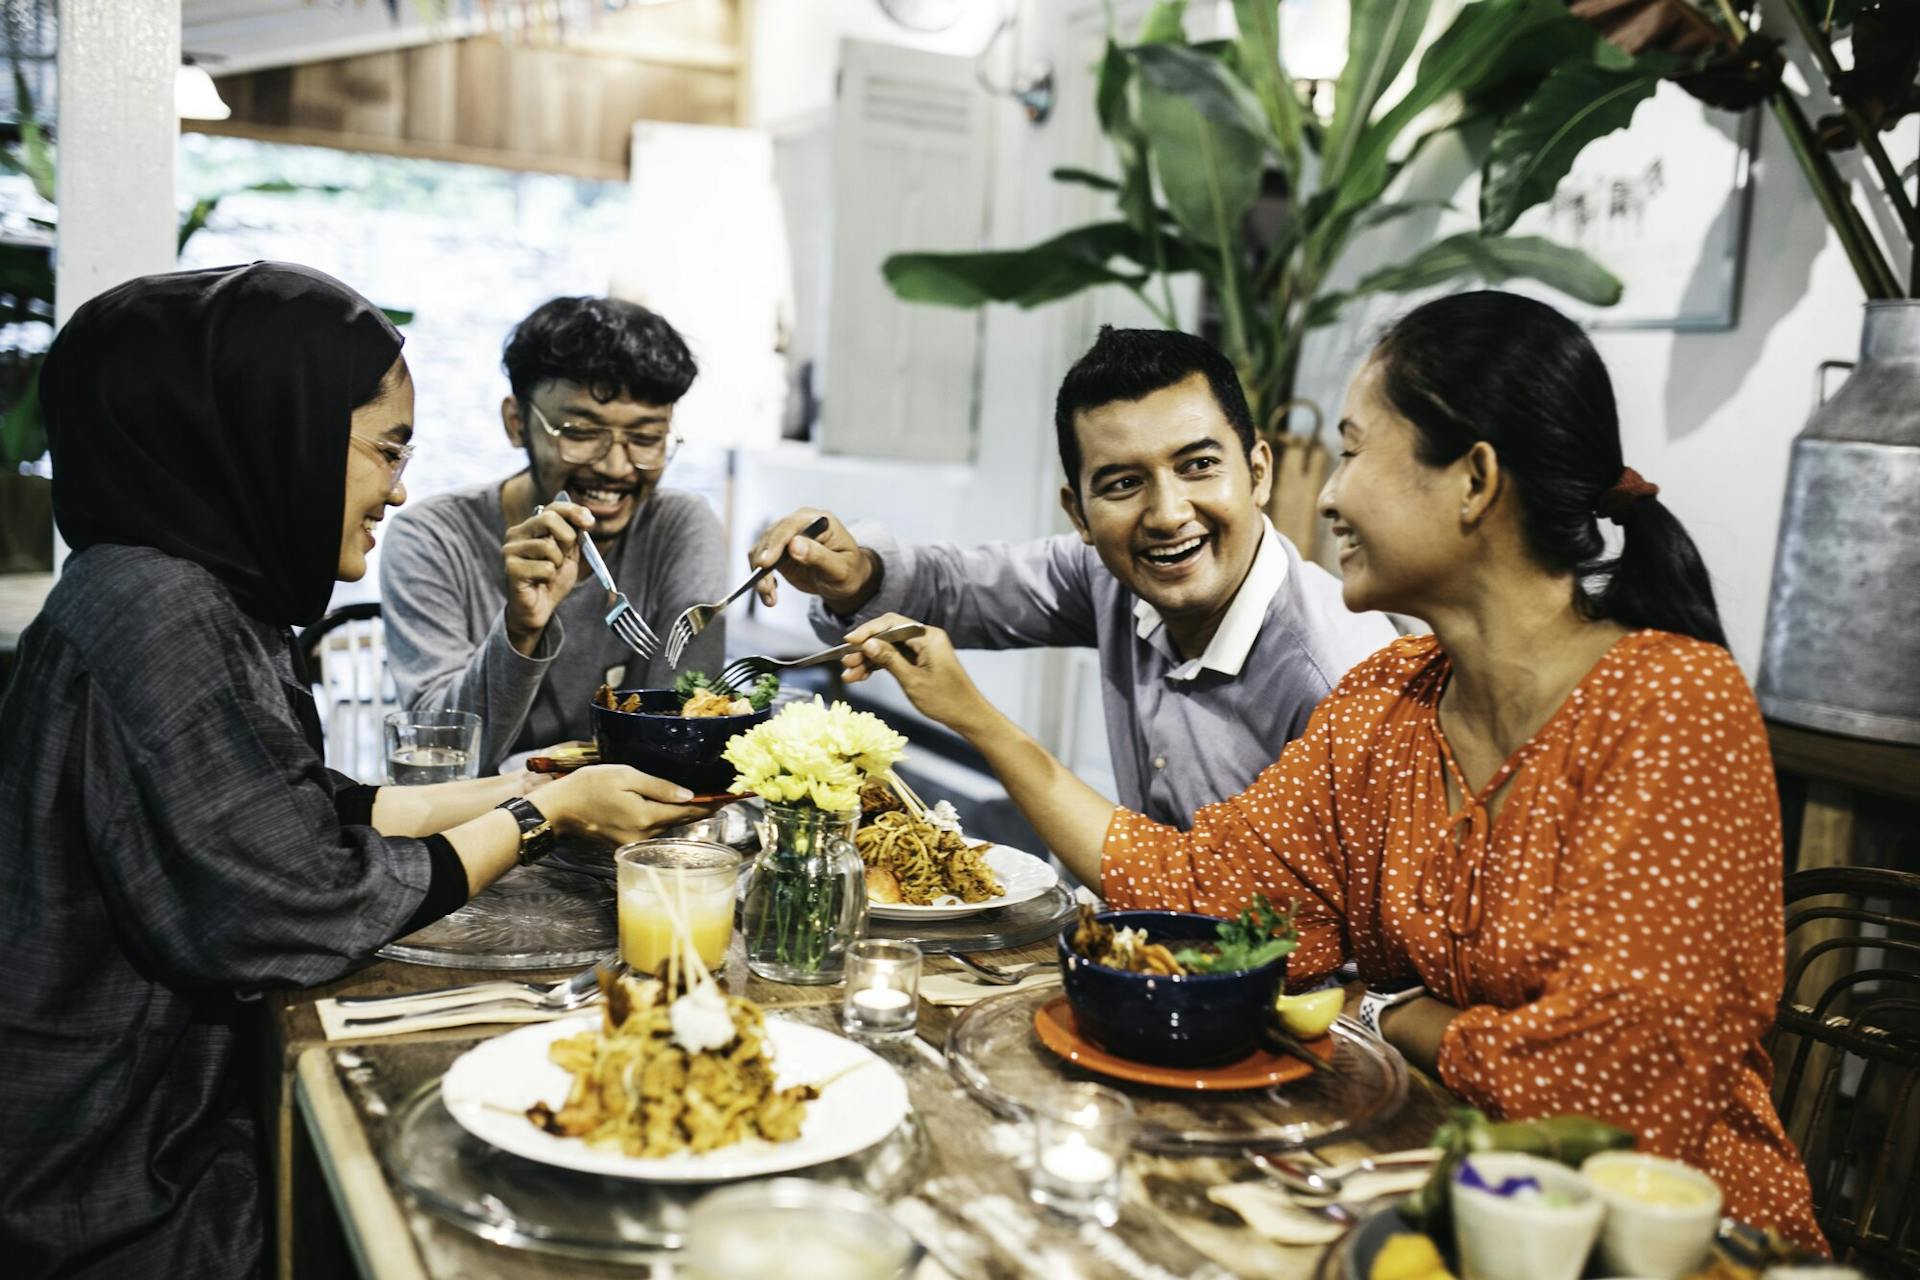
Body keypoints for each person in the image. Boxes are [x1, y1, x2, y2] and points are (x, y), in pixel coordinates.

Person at [831, 292, 1825, 1247]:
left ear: (1474, 480)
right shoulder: (1389, 702)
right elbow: (1208, 896)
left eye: (1354, 450)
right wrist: (982, 722)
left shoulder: (1673, 708)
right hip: (1433, 1188)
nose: (1334, 492)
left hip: (1665, 1240)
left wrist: (1390, 1012)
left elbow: (1602, 1091)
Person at [0, 263, 710, 1278]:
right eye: (386, 450)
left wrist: (549, 791)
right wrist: (548, 811)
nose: (401, 484)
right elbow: (292, 905)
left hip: (148, 1122)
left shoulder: (170, 585)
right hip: (109, 1185)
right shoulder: (160, 616)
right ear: (271, 433)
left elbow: (306, 808)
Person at [749, 326, 1395, 826]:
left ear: (1258, 472)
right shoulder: (1110, 577)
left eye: (1198, 465)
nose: (1168, 515)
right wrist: (857, 574)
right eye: (1122, 484)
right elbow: (958, 588)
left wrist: (976, 718)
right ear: (1078, 514)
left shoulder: (1342, 681)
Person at [381, 296, 728, 768]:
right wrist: (521, 631)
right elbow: (440, 754)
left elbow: (687, 725)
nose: (616, 466)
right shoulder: (434, 538)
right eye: (581, 432)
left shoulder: (679, 529)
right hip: (485, 824)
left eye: (646, 439)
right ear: (517, 422)